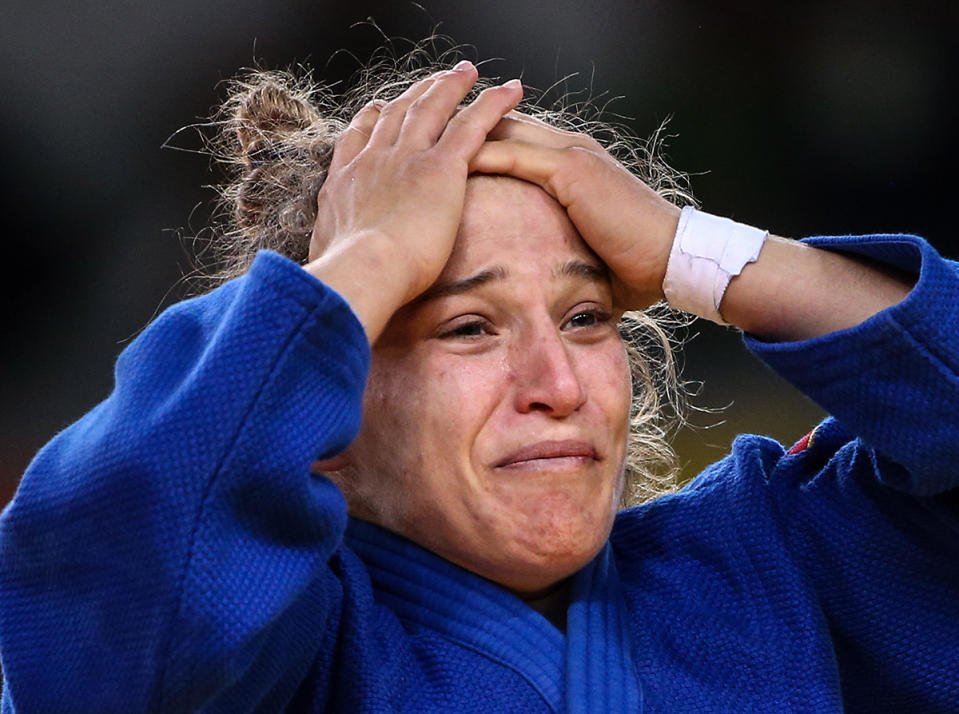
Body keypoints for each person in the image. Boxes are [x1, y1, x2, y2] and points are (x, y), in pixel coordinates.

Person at [0, 52, 957, 714]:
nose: (555, 383)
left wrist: (689, 251)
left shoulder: (778, 558)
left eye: (585, 318)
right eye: (467, 327)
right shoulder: (284, 664)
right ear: (324, 407)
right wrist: (368, 257)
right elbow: (114, 564)